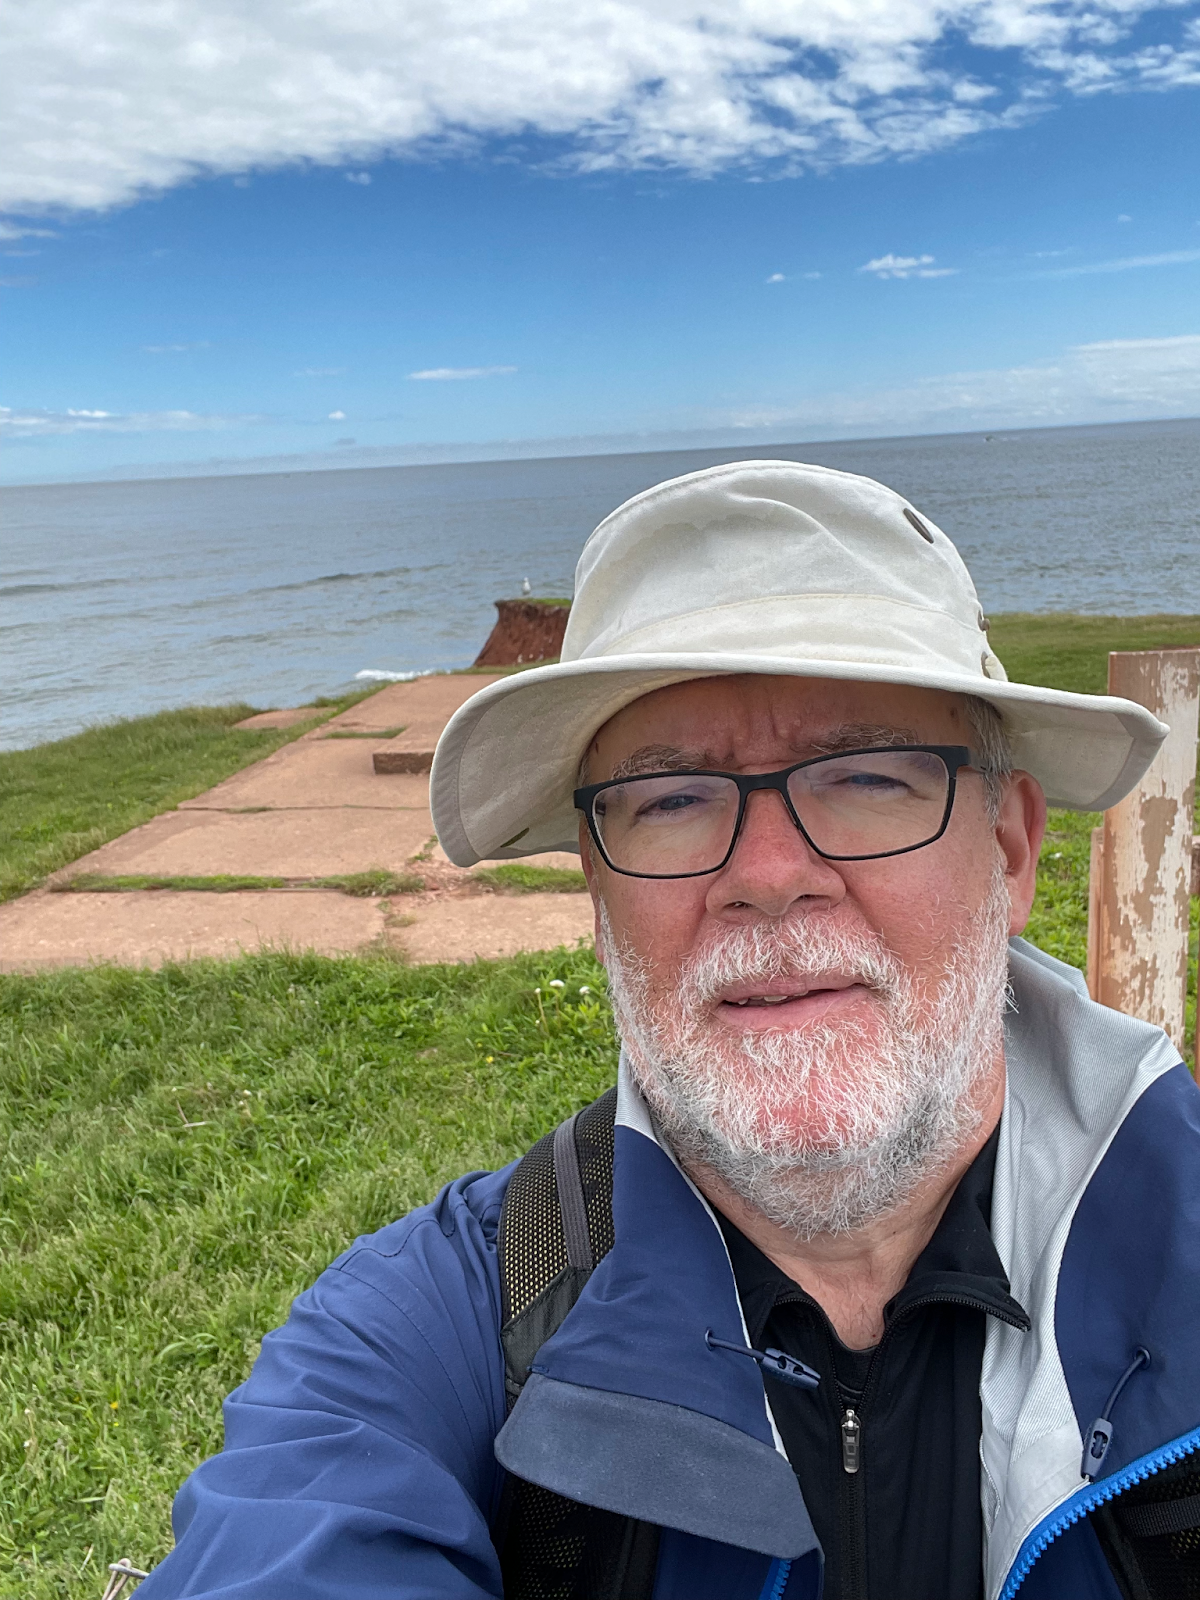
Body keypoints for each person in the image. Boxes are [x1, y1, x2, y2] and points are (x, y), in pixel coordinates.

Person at [137, 462, 1200, 1600]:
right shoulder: (430, 1328)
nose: (771, 875)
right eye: (674, 799)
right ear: (598, 893)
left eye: (866, 779)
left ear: (1008, 849)